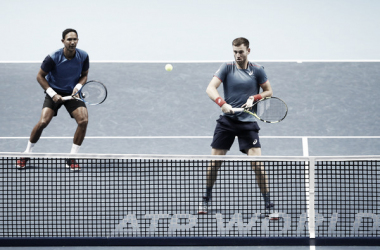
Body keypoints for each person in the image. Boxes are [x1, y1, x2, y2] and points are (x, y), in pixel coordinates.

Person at [198, 37, 274, 214]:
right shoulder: (227, 67)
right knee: (214, 164)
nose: (237, 55)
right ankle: (206, 200)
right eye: (235, 52)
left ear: (248, 51)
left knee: (258, 166)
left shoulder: (258, 70)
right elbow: (210, 88)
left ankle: (269, 205)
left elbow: (269, 91)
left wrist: (253, 98)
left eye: (240, 51)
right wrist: (221, 103)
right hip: (227, 121)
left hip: (248, 122)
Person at [16, 28, 90, 170]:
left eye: (75, 39)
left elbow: (85, 74)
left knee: (83, 121)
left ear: (78, 40)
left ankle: (72, 158)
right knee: (43, 122)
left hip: (72, 93)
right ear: (63, 41)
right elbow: (40, 76)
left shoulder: (84, 56)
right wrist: (52, 93)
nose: (72, 42)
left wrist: (79, 87)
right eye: (69, 39)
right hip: (54, 91)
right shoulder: (53, 57)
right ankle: (27, 153)